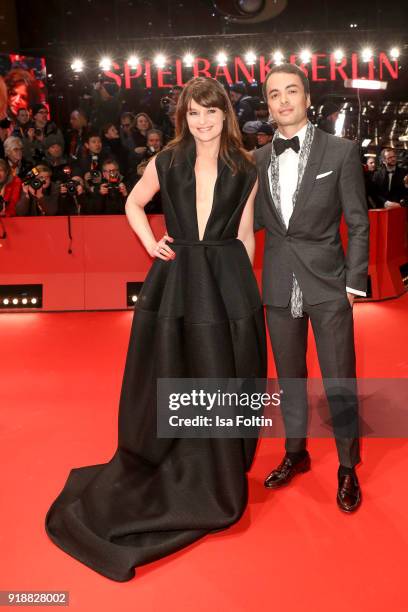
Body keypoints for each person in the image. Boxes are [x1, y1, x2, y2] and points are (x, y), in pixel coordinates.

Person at [44, 76, 267, 581]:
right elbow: (132, 203)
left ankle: (218, 456)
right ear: (183, 117)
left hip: (227, 276)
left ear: (224, 114)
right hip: (179, 276)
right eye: (193, 113)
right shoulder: (167, 159)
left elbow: (243, 232)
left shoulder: (244, 164)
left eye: (210, 112)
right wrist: (151, 243)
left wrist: (246, 296)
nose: (203, 121)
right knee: (175, 368)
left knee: (223, 373)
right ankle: (177, 454)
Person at [253, 63, 369, 513]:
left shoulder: (341, 152)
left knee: (340, 378)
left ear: (306, 97)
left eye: (291, 91)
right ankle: (296, 452)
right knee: (290, 378)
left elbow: (358, 224)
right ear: (267, 105)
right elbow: (247, 222)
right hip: (279, 285)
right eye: (274, 94)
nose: (282, 100)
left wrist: (354, 284)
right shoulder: (257, 160)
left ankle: (347, 465)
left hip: (329, 286)